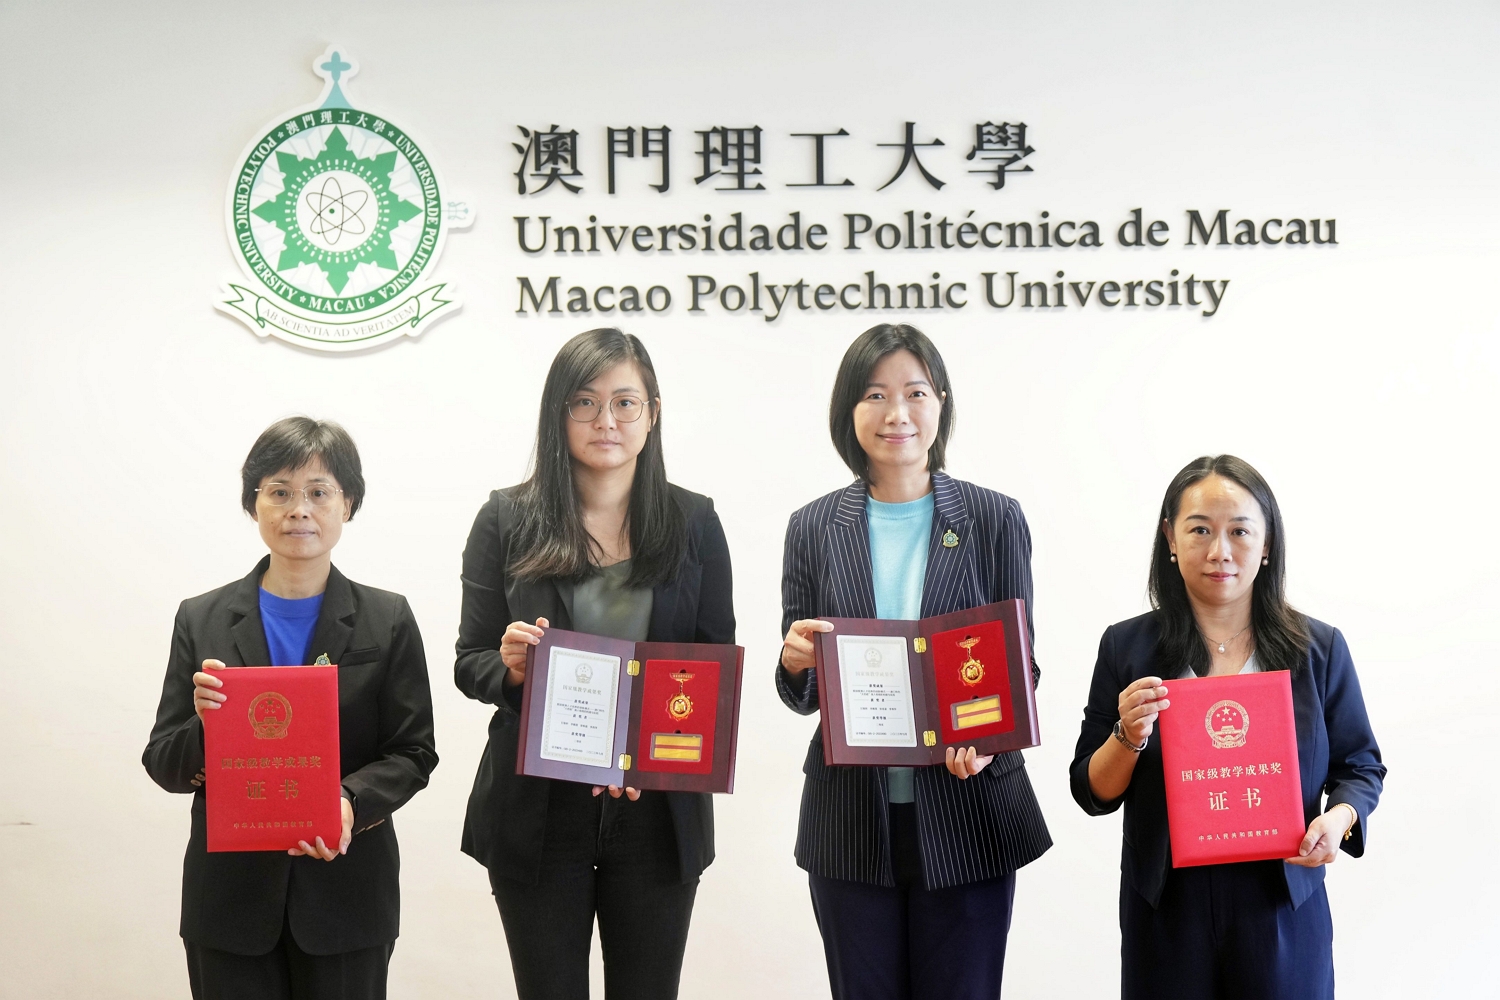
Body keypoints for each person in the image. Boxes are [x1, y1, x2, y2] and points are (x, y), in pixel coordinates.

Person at [455, 328, 734, 1000]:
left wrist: (648, 758)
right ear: (559, 413)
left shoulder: (694, 522)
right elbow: (470, 660)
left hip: (659, 810)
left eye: (625, 402)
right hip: (539, 811)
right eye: (584, 402)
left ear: (652, 414)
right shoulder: (506, 518)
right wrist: (511, 668)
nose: (606, 420)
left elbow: (712, 668)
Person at [775, 324, 1051, 1000]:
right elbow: (803, 691)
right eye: (874, 394)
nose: (896, 412)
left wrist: (988, 739)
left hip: (970, 810)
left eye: (914, 393)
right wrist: (794, 661)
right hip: (851, 820)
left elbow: (1021, 668)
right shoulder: (812, 527)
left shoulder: (993, 518)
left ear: (940, 403)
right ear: (849, 410)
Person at [142, 417, 438, 1000]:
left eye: (318, 492)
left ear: (347, 504)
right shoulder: (201, 618)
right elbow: (163, 765)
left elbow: (413, 752)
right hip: (229, 903)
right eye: (279, 491)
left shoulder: (387, 619)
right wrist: (206, 725)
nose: (298, 509)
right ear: (253, 504)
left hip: (347, 896)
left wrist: (348, 803)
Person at [1069, 454, 1385, 1000]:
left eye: (1239, 531)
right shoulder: (1126, 647)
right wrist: (1127, 735)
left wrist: (1338, 819)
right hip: (1168, 908)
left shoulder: (1319, 649)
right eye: (1200, 530)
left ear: (1267, 544)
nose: (1220, 551)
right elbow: (1091, 791)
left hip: (1281, 900)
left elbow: (1360, 765)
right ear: (1170, 538)